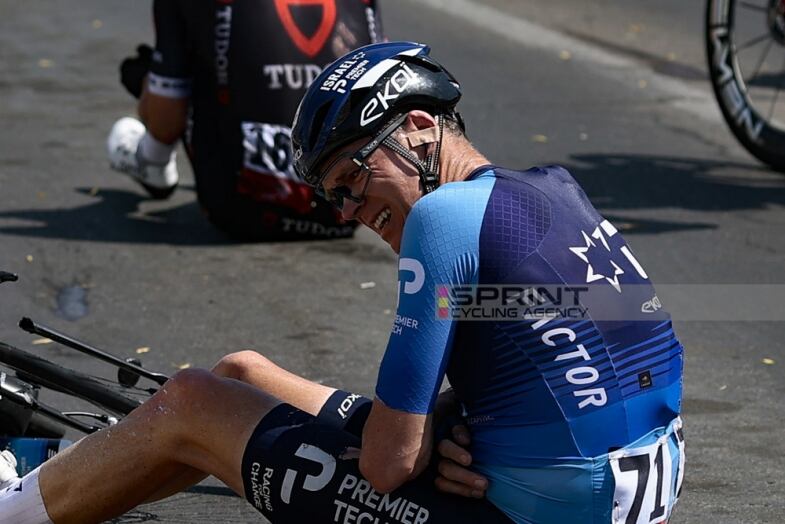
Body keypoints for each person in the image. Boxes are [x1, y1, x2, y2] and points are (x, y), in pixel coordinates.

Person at [0, 42, 685, 524]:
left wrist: (440, 437)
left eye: (353, 179)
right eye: (334, 197)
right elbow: (609, 344)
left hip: (531, 509)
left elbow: (388, 466)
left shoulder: (443, 218)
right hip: (617, 494)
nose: (351, 210)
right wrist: (462, 421)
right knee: (242, 372)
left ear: (420, 127)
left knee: (190, 403)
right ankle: (61, 471)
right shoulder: (554, 189)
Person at [107, 0, 383, 241]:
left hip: (241, 208)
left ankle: (153, 159)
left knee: (171, 78)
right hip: (351, 207)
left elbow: (167, 123)